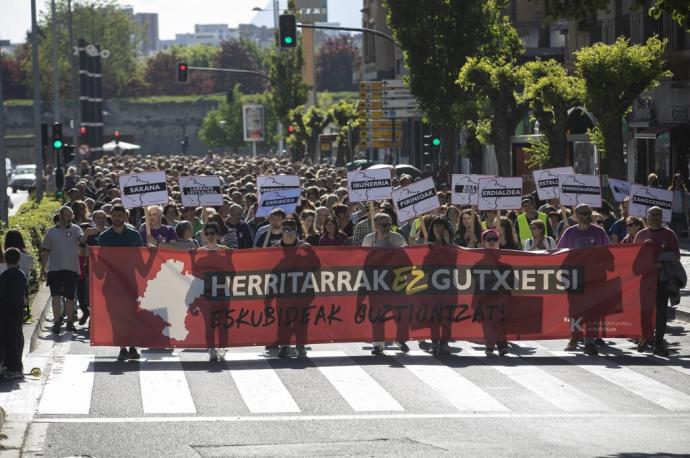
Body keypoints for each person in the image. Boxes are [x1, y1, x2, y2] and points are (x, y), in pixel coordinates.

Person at [556, 203, 610, 355]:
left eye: (589, 212)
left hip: (595, 278)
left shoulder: (599, 232)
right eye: (584, 213)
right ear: (577, 215)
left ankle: (590, 341)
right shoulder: (569, 232)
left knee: (593, 310)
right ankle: (575, 337)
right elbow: (560, 252)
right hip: (575, 277)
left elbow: (609, 252)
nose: (587, 215)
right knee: (575, 310)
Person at [97, 204, 146, 361]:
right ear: (110, 216)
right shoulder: (104, 237)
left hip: (130, 284)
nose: (117, 218)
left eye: (120, 215)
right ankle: (122, 347)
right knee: (116, 317)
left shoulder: (134, 236)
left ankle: (132, 346)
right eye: (114, 215)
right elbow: (100, 268)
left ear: (125, 216)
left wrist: (150, 252)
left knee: (131, 316)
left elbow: (141, 265)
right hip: (111, 286)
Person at [41, 206, 98, 334]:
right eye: (65, 215)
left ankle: (70, 322)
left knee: (70, 297)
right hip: (54, 269)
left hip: (71, 268)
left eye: (70, 215)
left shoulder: (76, 229)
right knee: (55, 296)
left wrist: (86, 234)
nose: (68, 218)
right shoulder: (51, 232)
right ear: (60, 215)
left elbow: (81, 242)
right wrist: (42, 269)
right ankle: (56, 322)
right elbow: (45, 251)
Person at [634, 206, 681, 356]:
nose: (655, 217)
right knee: (645, 311)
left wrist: (663, 263)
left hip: (663, 279)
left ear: (662, 217)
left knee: (661, 311)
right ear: (647, 216)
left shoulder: (669, 234)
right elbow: (634, 257)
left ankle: (659, 343)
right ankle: (646, 336)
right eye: (652, 214)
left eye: (658, 215)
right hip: (646, 280)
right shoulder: (641, 234)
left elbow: (677, 256)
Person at [362, 212, 409, 355]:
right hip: (377, 283)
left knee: (399, 313)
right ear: (375, 226)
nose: (387, 227)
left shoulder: (397, 238)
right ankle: (378, 344)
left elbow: (406, 256)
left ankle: (400, 339)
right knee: (377, 315)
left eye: (389, 224)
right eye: (383, 225)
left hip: (396, 282)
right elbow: (364, 259)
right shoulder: (369, 239)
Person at [272, 219, 310, 357]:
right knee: (284, 320)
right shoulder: (275, 249)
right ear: (282, 231)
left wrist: (310, 252)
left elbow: (317, 266)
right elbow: (270, 272)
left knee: (301, 320)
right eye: (286, 230)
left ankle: (300, 345)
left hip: (302, 291)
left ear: (296, 231)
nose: (289, 233)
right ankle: (284, 346)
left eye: (292, 230)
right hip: (282, 292)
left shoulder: (304, 247)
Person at [198, 222, 229, 361]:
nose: (210, 236)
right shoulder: (199, 252)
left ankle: (222, 347)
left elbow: (232, 271)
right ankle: (211, 348)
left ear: (217, 235)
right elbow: (195, 273)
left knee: (223, 323)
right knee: (209, 323)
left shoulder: (225, 251)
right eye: (207, 233)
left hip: (222, 292)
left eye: (213, 233)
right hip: (207, 293)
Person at [479, 229, 509, 356]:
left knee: (501, 322)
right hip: (485, 299)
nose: (492, 242)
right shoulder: (478, 264)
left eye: (494, 239)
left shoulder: (506, 263)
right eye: (489, 239)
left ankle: (502, 345)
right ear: (483, 243)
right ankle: (490, 346)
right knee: (487, 323)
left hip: (501, 298)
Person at [0, 248, 28, 379]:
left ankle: (14, 367)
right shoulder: (21, 274)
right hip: (18, 309)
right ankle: (16, 366)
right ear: (19, 259)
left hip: (6, 310)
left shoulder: (4, 276)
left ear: (5, 260)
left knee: (8, 339)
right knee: (16, 336)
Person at [668, 173, 689, 240]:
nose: (678, 181)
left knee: (679, 231)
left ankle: (677, 245)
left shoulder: (684, 191)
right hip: (672, 214)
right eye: (677, 180)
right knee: (672, 231)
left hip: (681, 214)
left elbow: (688, 200)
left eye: (680, 180)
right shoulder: (670, 190)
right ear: (674, 181)